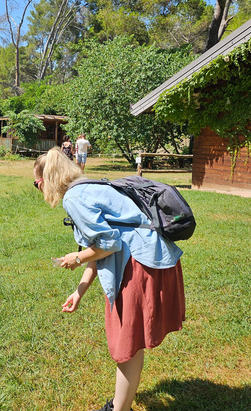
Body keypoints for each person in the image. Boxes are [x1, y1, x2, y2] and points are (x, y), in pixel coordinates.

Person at [34, 147, 185, 411]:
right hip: (157, 258)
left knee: (125, 345)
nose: (39, 190)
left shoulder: (74, 198)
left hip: (139, 266)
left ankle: (118, 409)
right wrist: (79, 292)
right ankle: (120, 405)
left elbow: (109, 244)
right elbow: (102, 247)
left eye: (37, 184)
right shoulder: (89, 186)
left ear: (46, 179)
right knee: (132, 344)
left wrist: (76, 257)